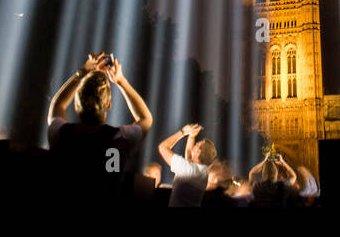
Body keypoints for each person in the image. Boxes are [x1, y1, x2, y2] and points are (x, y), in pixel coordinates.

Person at [46, 53, 153, 200]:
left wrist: (82, 73)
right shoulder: (119, 140)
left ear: (77, 102)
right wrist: (121, 81)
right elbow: (145, 119)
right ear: (109, 104)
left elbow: (57, 104)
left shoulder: (59, 134)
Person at [158, 122, 217, 207]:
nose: (195, 144)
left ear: (198, 152)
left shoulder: (186, 169)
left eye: (197, 145)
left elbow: (162, 147)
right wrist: (191, 136)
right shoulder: (204, 171)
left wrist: (183, 132)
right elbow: (189, 157)